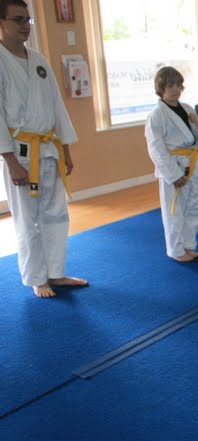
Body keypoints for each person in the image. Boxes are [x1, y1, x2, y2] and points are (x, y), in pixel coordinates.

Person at [0, 0, 87, 298]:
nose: (25, 25)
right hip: (20, 153)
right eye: (18, 19)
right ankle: (37, 278)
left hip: (48, 148)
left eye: (28, 20)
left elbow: (56, 107)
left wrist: (66, 148)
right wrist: (10, 160)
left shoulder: (38, 60)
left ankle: (56, 273)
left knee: (56, 214)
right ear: (1, 22)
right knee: (27, 219)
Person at [144, 66, 198, 262]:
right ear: (161, 88)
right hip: (174, 165)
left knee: (195, 205)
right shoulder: (156, 115)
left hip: (191, 161)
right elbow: (156, 148)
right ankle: (176, 250)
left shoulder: (187, 108)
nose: (175, 89)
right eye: (170, 85)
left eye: (178, 85)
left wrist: (197, 125)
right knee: (174, 210)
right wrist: (173, 174)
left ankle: (188, 244)